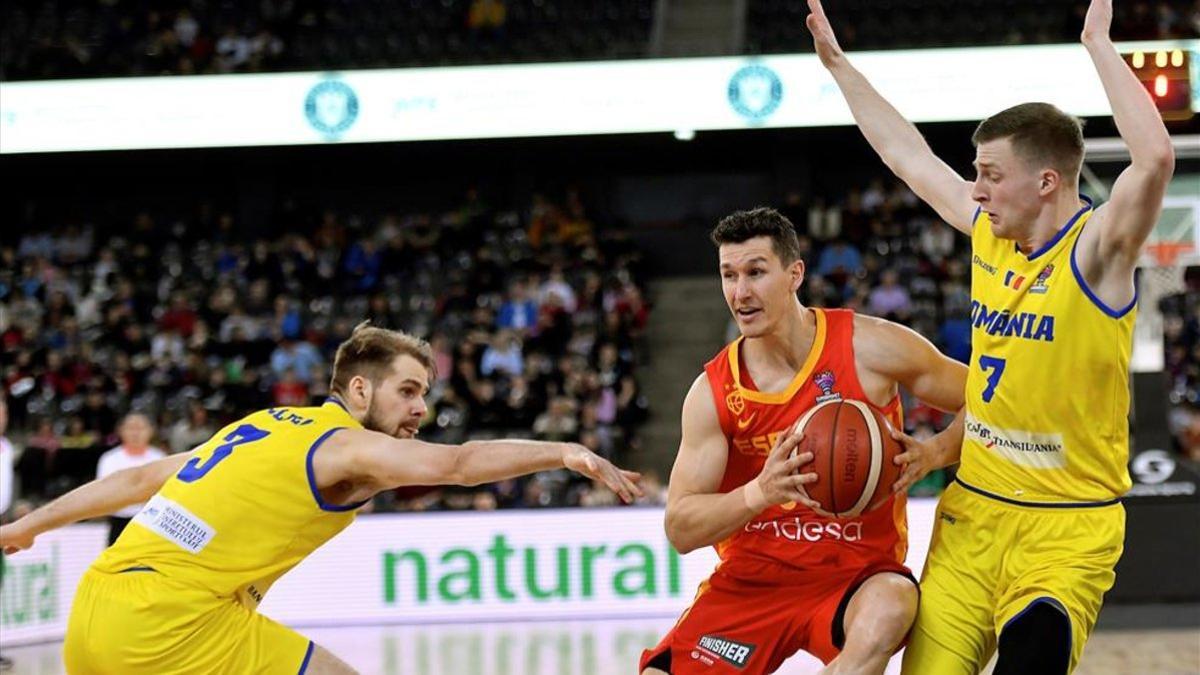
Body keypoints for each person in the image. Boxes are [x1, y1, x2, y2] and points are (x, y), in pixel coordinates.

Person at [805, 0, 1174, 672]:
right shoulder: (988, 235)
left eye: (990, 175)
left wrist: (1098, 43)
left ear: (1047, 182)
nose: (975, 190)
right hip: (973, 514)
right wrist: (838, 66)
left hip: (1068, 528)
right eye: (975, 173)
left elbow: (1153, 160)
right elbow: (906, 156)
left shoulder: (1096, 253)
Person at [0, 323, 642, 674]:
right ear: (358, 391)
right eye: (408, 391)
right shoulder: (343, 445)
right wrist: (560, 451)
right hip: (170, 627)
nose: (421, 408)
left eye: (425, 394)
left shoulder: (263, 422)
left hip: (97, 611)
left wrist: (28, 525)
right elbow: (460, 464)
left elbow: (139, 482)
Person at [641, 208, 967, 675]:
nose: (740, 292)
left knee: (894, 603)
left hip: (855, 573)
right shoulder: (714, 392)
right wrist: (760, 492)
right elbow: (681, 528)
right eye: (728, 275)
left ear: (795, 273)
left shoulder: (868, 346)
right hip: (751, 582)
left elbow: (987, 398)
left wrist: (935, 452)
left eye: (756, 272)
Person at [94, 413, 167, 546]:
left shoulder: (160, 458)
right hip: (119, 521)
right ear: (121, 431)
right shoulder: (109, 459)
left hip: (151, 523)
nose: (135, 433)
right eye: (131, 428)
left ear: (150, 431)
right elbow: (104, 492)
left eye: (140, 428)